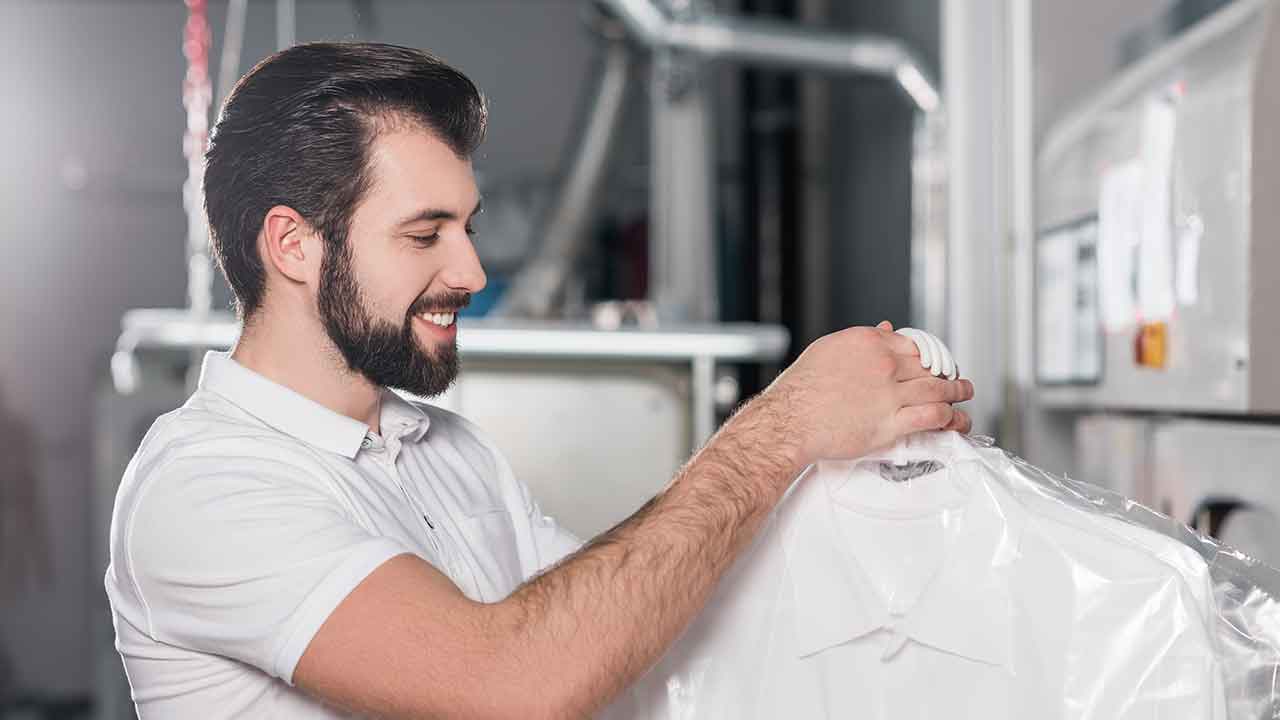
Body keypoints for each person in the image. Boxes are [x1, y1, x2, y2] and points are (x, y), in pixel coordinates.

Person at [104, 42, 974, 719]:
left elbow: (624, 632)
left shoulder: (445, 449)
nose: (474, 272)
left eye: (468, 227)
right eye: (425, 233)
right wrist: (781, 426)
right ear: (293, 245)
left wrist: (867, 486)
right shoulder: (205, 487)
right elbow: (514, 682)